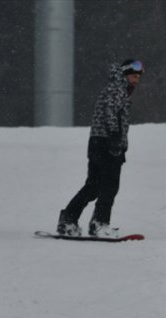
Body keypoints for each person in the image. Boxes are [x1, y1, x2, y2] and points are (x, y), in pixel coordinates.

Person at [56, 59, 143, 238]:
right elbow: (110, 112)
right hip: (107, 143)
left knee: (94, 186)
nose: (137, 80)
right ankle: (99, 223)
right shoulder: (117, 88)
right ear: (125, 74)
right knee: (109, 185)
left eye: (138, 77)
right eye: (134, 76)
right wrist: (115, 136)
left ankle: (68, 219)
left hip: (98, 142)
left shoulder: (115, 88)